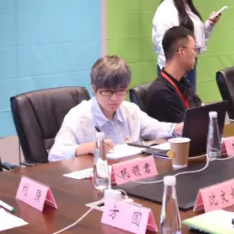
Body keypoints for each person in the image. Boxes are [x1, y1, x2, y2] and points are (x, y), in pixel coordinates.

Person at [48, 56, 183, 161]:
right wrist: (86, 148)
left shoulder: (130, 110)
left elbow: (156, 128)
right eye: (107, 91)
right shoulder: (78, 116)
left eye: (120, 91)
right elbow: (55, 154)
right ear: (94, 89)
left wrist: (176, 128)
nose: (114, 98)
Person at [151, 0, 223, 91]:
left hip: (188, 64)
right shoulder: (166, 9)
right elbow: (163, 42)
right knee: (176, 101)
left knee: (189, 101)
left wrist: (210, 24)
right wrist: (169, 72)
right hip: (175, 69)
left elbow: (197, 38)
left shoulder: (187, 7)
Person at [146, 26, 203, 123]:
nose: (196, 54)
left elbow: (201, 111)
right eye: (194, 49)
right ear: (181, 52)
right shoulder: (161, 93)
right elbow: (186, 128)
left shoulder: (184, 84)